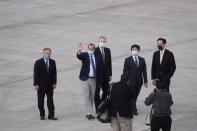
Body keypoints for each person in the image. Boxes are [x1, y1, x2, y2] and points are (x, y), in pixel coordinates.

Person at [77, 43, 102, 120]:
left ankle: (90, 111)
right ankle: (89, 113)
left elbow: (100, 69)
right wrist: (79, 51)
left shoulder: (97, 57)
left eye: (92, 49)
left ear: (94, 49)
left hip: (94, 79)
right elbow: (79, 56)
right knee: (86, 95)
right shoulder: (85, 55)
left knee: (92, 96)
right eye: (89, 49)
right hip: (85, 78)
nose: (90, 50)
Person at [33, 48, 58, 120]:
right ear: (43, 53)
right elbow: (36, 74)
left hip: (50, 85)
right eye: (46, 53)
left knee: (50, 101)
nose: (48, 55)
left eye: (49, 53)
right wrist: (36, 84)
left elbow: (54, 73)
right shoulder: (38, 62)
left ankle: (51, 115)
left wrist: (54, 83)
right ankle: (42, 114)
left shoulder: (52, 62)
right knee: (40, 102)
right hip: (41, 85)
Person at [123, 44, 148, 115]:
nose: (134, 51)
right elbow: (125, 71)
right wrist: (124, 81)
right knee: (133, 95)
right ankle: (134, 110)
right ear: (131, 50)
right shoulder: (128, 60)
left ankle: (131, 107)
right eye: (133, 49)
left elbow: (144, 71)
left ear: (138, 51)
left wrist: (145, 81)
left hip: (139, 81)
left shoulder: (142, 60)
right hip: (130, 81)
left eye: (136, 49)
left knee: (136, 95)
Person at [94, 36, 112, 113]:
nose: (102, 43)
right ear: (98, 41)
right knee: (96, 93)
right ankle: (97, 108)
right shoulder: (95, 50)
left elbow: (109, 63)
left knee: (106, 91)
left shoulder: (107, 50)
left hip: (106, 75)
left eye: (104, 41)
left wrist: (110, 74)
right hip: (98, 76)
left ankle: (102, 105)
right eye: (101, 41)